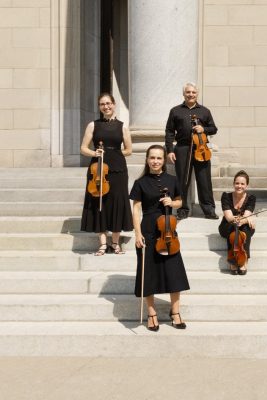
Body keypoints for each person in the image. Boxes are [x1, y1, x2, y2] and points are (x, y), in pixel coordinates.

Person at [130, 145, 190, 332]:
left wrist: (172, 202)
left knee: (174, 272)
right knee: (148, 274)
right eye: (152, 158)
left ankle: (175, 312)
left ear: (164, 161)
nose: (155, 161)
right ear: (147, 159)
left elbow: (181, 201)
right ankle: (152, 313)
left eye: (159, 158)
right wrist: (137, 234)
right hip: (148, 230)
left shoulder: (172, 180)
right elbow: (136, 209)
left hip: (168, 231)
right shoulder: (140, 183)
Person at [79, 93, 133, 256]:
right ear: (99, 107)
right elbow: (83, 148)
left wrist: (115, 153)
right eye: (102, 104)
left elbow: (129, 150)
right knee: (98, 202)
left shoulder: (122, 126)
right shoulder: (93, 125)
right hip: (98, 168)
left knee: (117, 203)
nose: (106, 106)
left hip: (118, 169)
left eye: (108, 103)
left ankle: (115, 242)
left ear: (114, 104)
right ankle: (103, 243)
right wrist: (95, 153)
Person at [165, 82, 218, 220]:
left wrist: (203, 129)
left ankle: (209, 210)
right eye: (188, 92)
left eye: (193, 92)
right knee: (182, 180)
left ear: (197, 94)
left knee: (204, 180)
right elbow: (169, 131)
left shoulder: (204, 111)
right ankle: (183, 209)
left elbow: (214, 129)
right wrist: (170, 150)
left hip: (201, 148)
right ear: (184, 94)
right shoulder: (175, 111)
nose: (191, 95)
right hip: (182, 148)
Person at [218, 170, 256, 275]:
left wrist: (246, 219)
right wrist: (244, 219)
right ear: (233, 184)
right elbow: (229, 217)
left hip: (242, 226)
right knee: (233, 227)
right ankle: (233, 259)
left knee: (246, 228)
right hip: (227, 226)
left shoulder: (251, 198)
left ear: (246, 185)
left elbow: (247, 214)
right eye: (237, 183)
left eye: (242, 184)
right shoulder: (226, 196)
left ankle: (245, 259)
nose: (239, 186)